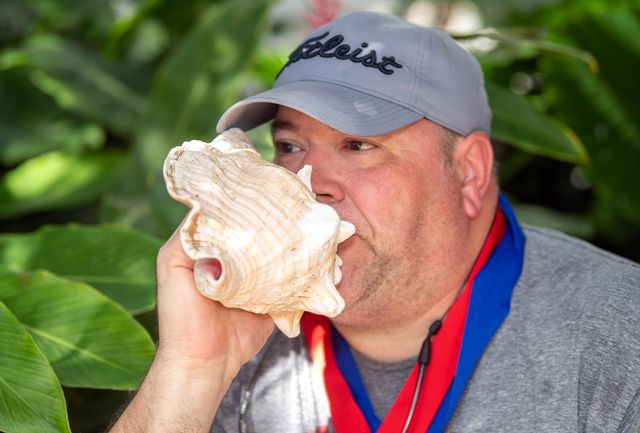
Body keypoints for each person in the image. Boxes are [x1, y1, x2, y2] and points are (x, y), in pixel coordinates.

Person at [109, 11, 640, 433]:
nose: (309, 182)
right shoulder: (247, 334)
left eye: (359, 145)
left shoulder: (617, 336)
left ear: (469, 173)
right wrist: (193, 371)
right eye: (290, 146)